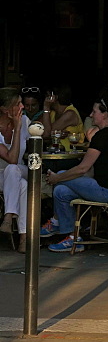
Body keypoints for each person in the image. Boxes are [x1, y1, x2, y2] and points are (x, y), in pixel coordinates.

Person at [42, 97, 108, 252]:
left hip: (106, 192)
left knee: (61, 174)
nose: (91, 115)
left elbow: (83, 168)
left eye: (94, 112)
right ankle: (73, 238)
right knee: (61, 191)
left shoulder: (101, 137)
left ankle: (55, 222)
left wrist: (56, 178)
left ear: (105, 114)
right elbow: (90, 171)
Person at [0, 88, 29, 253]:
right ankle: (24, 237)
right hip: (1, 174)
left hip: (20, 168)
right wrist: (17, 129)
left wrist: (46, 109)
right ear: (5, 110)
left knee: (14, 170)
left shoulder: (25, 120)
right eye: (18, 104)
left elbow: (44, 133)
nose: (22, 106)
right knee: (22, 185)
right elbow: (11, 157)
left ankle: (8, 217)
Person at [40, 85, 84, 150]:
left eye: (47, 96)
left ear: (55, 97)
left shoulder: (70, 113)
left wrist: (46, 107)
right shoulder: (51, 113)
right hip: (53, 154)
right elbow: (36, 128)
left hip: (69, 155)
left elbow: (47, 134)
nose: (45, 100)